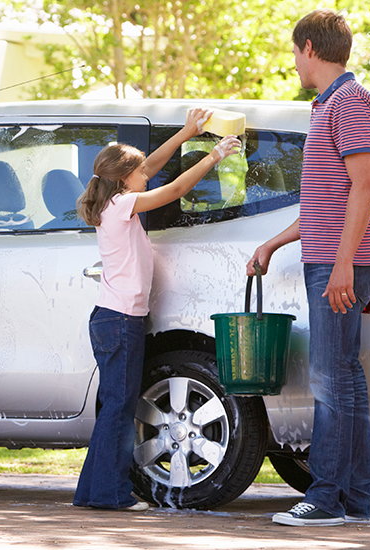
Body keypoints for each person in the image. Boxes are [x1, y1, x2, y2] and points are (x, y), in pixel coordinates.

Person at [248, 9, 370, 527]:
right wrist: (273, 242)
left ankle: (325, 497)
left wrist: (341, 265)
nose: (293, 62)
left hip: (342, 262)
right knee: (344, 377)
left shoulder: (350, 102)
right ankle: (354, 501)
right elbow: (323, 204)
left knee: (329, 379)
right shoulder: (331, 105)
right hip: (334, 255)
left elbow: (366, 188)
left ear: (309, 47)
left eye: (294, 53)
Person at [73, 110, 241, 511]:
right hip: (119, 321)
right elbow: (176, 187)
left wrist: (187, 132)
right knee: (119, 408)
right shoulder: (122, 205)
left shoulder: (113, 200)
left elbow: (152, 165)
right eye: (139, 172)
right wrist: (214, 155)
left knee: (115, 406)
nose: (146, 174)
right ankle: (110, 494)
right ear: (123, 179)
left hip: (114, 319)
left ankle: (93, 492)